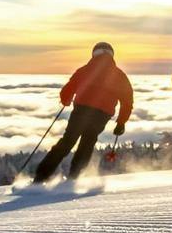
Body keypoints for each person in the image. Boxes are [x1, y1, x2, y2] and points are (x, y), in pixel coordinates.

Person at [32, 41, 134, 183]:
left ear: (94, 53)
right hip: (102, 114)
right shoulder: (119, 75)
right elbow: (127, 100)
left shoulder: (84, 70)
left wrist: (66, 100)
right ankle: (74, 177)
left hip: (82, 110)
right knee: (88, 141)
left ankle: (41, 176)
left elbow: (67, 90)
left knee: (68, 141)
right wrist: (121, 122)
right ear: (111, 55)